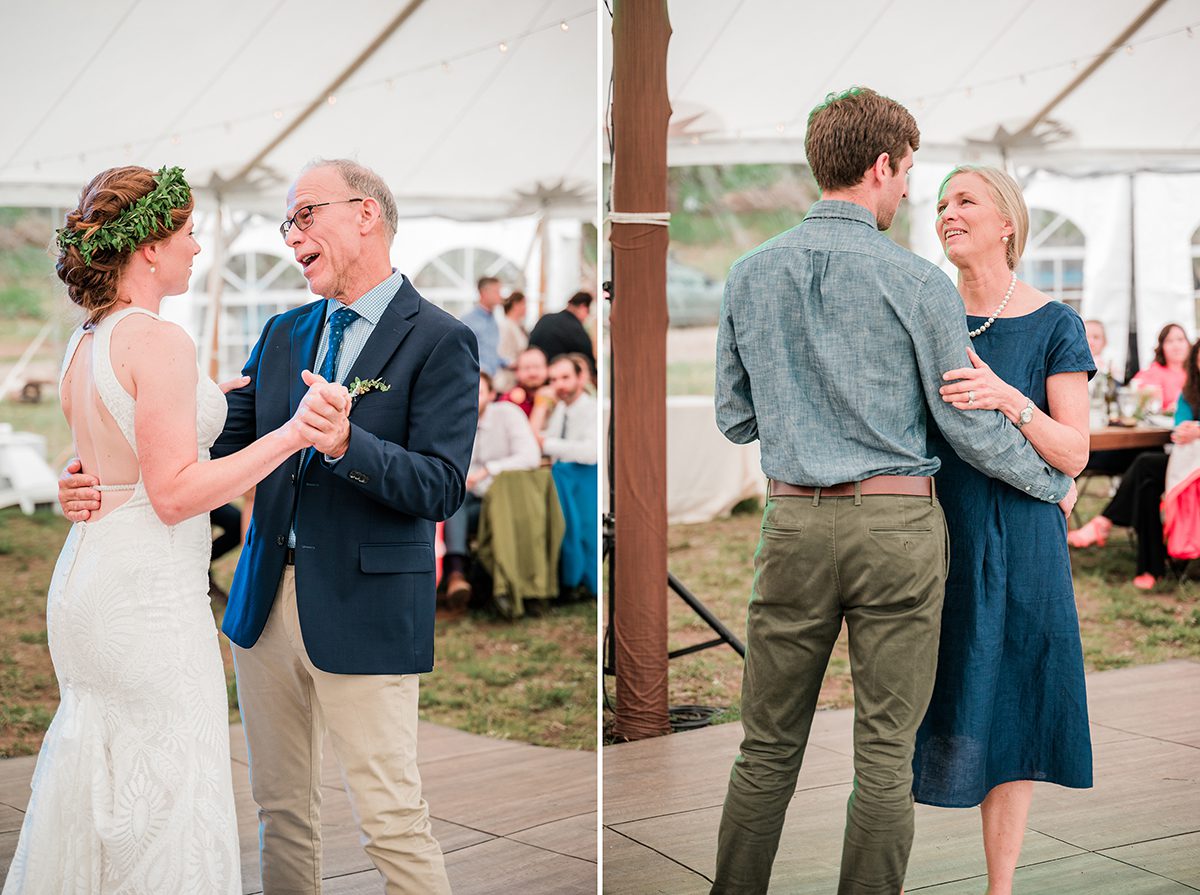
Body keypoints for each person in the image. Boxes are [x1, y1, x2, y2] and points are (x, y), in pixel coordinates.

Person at [59, 159, 478, 894]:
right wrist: (93, 467)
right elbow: (204, 443)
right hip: (261, 608)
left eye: (305, 215)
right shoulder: (284, 333)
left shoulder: (439, 338)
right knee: (279, 812)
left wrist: (349, 444)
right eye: (290, 222)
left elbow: (441, 487)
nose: (292, 236)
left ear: (366, 214)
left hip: (365, 612)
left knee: (392, 822)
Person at [710, 87, 1074, 895]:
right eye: (908, 171)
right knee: (882, 751)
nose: (910, 190)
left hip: (793, 525)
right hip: (899, 527)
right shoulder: (918, 284)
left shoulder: (747, 275)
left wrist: (803, 410)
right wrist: (1050, 478)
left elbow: (735, 420)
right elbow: (967, 426)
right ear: (881, 165)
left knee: (766, 746)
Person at [7, 165, 343, 894]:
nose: (198, 247)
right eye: (189, 234)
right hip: (148, 597)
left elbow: (112, 450)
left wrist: (208, 402)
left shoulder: (88, 339)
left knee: (103, 765)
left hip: (90, 578)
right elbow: (174, 493)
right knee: (168, 782)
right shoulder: (159, 341)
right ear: (150, 249)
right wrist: (291, 434)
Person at [911, 165, 1094, 895]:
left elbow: (1074, 451)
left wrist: (1007, 396)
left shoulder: (1056, 323)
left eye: (964, 201)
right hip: (936, 536)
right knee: (916, 706)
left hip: (1024, 543)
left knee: (1015, 706)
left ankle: (1001, 887)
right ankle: (884, 874)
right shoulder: (927, 315)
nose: (947, 213)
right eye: (940, 204)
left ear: (1007, 221)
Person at [1070, 338, 1200, 588]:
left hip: (1190, 469)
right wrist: (1184, 431)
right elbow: (1178, 426)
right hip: (1188, 465)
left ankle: (1105, 524)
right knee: (1146, 481)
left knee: (1145, 466)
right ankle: (1151, 568)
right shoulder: (1190, 392)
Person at [442, 371, 542, 603]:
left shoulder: (508, 414)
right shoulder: (455, 420)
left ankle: (457, 574)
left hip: (508, 500)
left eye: (478, 392)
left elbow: (530, 457)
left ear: (492, 395)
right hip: (473, 501)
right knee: (454, 501)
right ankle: (456, 576)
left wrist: (489, 469)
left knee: (458, 502)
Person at [539, 354, 598, 598]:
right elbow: (543, 442)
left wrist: (548, 444)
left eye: (565, 377)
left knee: (585, 531)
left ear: (580, 377)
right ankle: (570, 581)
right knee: (567, 530)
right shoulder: (561, 409)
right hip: (564, 479)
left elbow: (590, 452)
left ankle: (585, 581)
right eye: (553, 379)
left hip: (584, 478)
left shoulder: (591, 409)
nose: (559, 384)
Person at [528, 290, 596, 374]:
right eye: (588, 312)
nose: (586, 317)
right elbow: (588, 361)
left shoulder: (545, 318)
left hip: (535, 372)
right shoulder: (575, 328)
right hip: (559, 376)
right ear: (583, 307)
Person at [1130, 322, 1190, 413]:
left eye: (1180, 339)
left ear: (1188, 344)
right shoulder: (1153, 372)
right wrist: (1165, 411)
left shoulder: (1195, 371)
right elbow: (1135, 398)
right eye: (1169, 341)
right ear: (1162, 347)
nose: (1176, 346)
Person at [462, 275, 507, 376]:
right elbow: (465, 353)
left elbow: (491, 352)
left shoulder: (493, 320)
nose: (500, 296)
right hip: (478, 378)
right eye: (496, 291)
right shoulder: (468, 321)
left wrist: (508, 363)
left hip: (492, 378)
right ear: (483, 293)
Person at [500, 346, 550, 417]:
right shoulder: (509, 401)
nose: (532, 373)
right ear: (517, 372)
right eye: (526, 368)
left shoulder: (560, 393)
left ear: (547, 369)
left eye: (537, 367)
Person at [495, 290, 529, 391]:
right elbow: (501, 354)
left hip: (518, 377)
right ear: (516, 305)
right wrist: (519, 364)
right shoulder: (506, 326)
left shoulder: (518, 326)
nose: (526, 308)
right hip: (507, 379)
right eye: (524, 304)